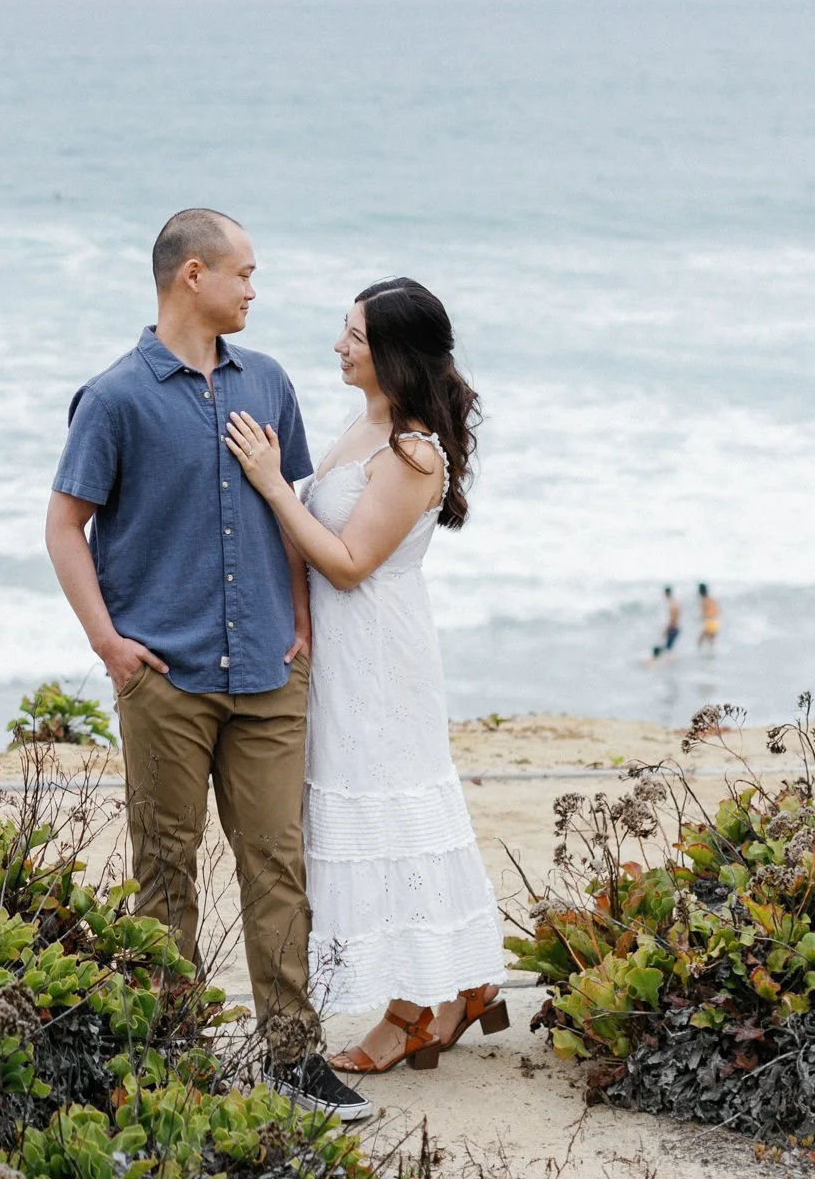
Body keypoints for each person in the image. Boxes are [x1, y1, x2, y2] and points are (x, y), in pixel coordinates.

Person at [46, 208, 372, 1122]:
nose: (254, 290)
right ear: (194, 275)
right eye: (245, 274)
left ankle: (294, 1059)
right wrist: (110, 647)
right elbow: (63, 528)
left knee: (278, 864)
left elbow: (291, 514)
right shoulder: (112, 398)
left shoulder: (267, 383)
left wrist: (300, 620)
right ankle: (173, 1058)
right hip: (167, 678)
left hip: (270, 673)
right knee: (166, 870)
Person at [223, 278, 509, 1077]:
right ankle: (462, 985)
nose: (339, 347)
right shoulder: (364, 424)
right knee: (371, 815)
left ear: (393, 352)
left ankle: (413, 1011)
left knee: (389, 817)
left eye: (353, 336)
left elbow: (349, 564)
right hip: (342, 653)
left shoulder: (414, 452)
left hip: (380, 655)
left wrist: (274, 484)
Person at [653, 586, 681, 659]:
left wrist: (667, 629)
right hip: (675, 627)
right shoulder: (674, 602)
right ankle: (670, 662)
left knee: (668, 647)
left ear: (666, 594)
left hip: (673, 627)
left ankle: (670, 662)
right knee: (669, 647)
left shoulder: (672, 603)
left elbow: (673, 618)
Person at [698, 582, 721, 647]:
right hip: (715, 621)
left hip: (709, 621)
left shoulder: (704, 600)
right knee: (711, 639)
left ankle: (701, 653)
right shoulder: (711, 599)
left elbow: (704, 613)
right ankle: (710, 653)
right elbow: (717, 610)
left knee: (701, 639)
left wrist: (702, 618)